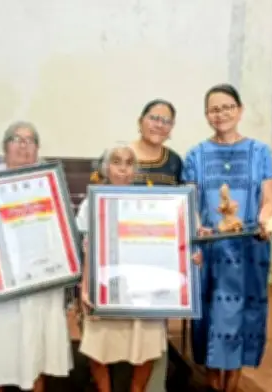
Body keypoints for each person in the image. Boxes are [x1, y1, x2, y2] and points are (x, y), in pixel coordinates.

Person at [0, 122, 72, 391]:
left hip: (39, 273)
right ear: (4, 146)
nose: (23, 145)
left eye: (30, 141)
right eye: (16, 139)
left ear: (38, 149)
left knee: (36, 338)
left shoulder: (48, 180)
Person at [184, 84, 272, 392]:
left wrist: (266, 218)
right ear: (206, 115)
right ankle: (212, 386)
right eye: (213, 109)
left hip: (249, 247)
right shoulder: (195, 155)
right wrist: (198, 227)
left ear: (240, 110)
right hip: (210, 250)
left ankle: (232, 387)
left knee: (241, 320)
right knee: (211, 321)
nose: (220, 114)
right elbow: (191, 201)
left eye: (226, 107)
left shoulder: (260, 151)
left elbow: (269, 198)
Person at [90, 99, 187, 392]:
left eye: (166, 120)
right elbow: (97, 210)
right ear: (140, 121)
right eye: (153, 117)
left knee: (148, 339)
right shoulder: (121, 153)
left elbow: (182, 210)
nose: (159, 124)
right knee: (106, 338)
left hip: (155, 264)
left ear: (171, 129)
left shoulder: (175, 162)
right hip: (114, 264)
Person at [77, 144, 169, 392]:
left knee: (147, 343)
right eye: (117, 162)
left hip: (139, 286)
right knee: (98, 345)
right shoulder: (91, 203)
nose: (123, 168)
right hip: (104, 284)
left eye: (129, 163)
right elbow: (87, 248)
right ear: (106, 168)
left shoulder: (146, 202)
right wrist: (85, 286)